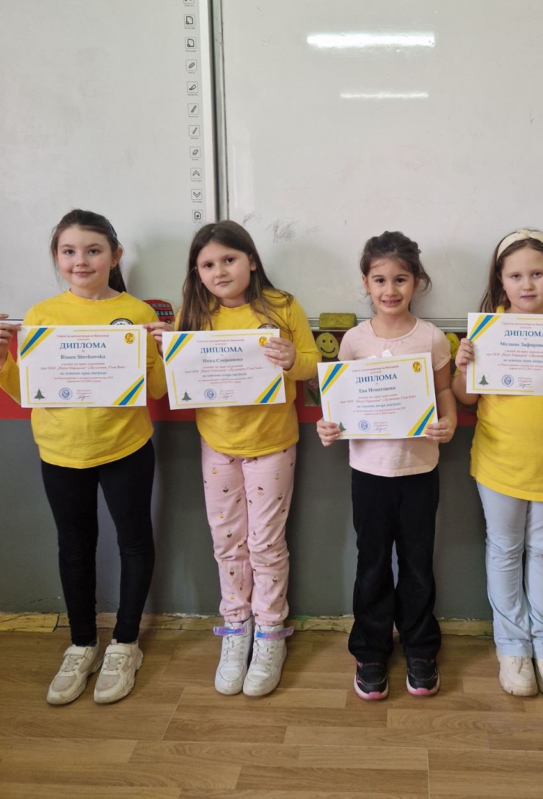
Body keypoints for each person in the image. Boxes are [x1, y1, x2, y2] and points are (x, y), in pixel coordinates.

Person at [0, 209, 166, 705]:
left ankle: (126, 643)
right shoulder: (41, 315)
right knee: (74, 546)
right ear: (57, 258)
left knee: (134, 541)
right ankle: (81, 644)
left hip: (125, 447)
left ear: (115, 256)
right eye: (69, 251)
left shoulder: (137, 313)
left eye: (93, 250)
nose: (81, 261)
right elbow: (26, 391)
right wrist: (2, 361)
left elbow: (158, 389)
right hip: (60, 449)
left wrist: (164, 350)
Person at [149, 221, 319, 697]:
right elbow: (173, 382)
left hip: (272, 444)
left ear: (252, 261)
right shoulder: (194, 314)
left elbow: (312, 365)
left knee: (266, 543)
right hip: (218, 446)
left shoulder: (282, 305)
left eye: (229, 259)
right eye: (207, 264)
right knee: (227, 542)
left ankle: (270, 631)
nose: (219, 271)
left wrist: (292, 359)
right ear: (197, 273)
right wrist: (165, 349)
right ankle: (236, 626)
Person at [317, 231, 456, 701]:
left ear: (417, 282)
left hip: (419, 469)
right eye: (380, 280)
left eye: (401, 279)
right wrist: (328, 427)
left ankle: (420, 647)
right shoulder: (354, 341)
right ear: (366, 283)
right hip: (368, 472)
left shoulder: (431, 337)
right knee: (372, 562)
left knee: (417, 563)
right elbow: (338, 405)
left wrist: (449, 422)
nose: (390, 289)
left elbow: (443, 392)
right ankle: (371, 649)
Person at [452, 229, 543, 698]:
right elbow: (466, 398)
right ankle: (513, 646)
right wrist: (464, 365)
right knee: (504, 550)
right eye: (515, 276)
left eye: (537, 273)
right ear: (500, 280)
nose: (527, 284)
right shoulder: (487, 330)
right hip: (500, 463)